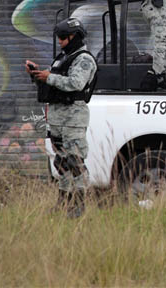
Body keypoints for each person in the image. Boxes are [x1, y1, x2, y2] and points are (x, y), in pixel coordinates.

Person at [26, 17, 97, 218]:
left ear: (75, 37)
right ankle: (64, 203)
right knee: (62, 163)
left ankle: (80, 207)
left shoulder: (84, 59)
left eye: (64, 37)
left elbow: (75, 83)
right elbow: (55, 83)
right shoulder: (62, 58)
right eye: (59, 37)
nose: (61, 42)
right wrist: (38, 75)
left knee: (75, 162)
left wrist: (49, 76)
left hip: (73, 118)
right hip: (57, 118)